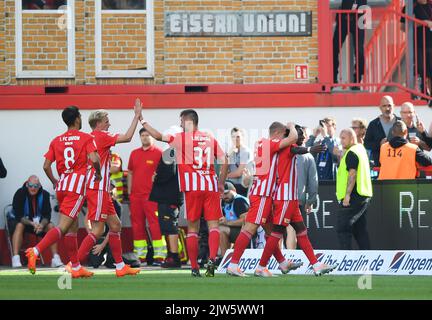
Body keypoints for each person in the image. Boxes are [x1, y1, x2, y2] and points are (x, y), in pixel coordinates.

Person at [138, 109, 229, 277]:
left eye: (181, 121)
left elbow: (157, 136)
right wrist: (221, 183)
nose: (180, 125)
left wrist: (142, 120)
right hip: (210, 186)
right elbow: (225, 160)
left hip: (192, 188)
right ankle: (211, 260)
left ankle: (194, 267)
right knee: (213, 226)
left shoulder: (180, 138)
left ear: (187, 121)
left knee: (193, 228)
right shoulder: (209, 138)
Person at [25, 106, 102, 277]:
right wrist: (97, 172)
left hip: (62, 186)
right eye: (80, 116)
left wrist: (54, 181)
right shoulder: (86, 137)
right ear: (76, 119)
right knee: (63, 227)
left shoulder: (56, 140)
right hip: (76, 187)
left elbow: (46, 166)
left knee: (73, 227)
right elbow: (95, 158)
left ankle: (75, 267)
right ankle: (35, 251)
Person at [71, 101, 142, 277]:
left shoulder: (88, 138)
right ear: (98, 123)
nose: (109, 123)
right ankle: (74, 266)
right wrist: (136, 116)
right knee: (98, 230)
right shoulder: (101, 136)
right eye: (106, 120)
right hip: (99, 189)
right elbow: (127, 137)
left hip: (97, 189)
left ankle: (120, 267)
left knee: (116, 225)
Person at [256, 126, 336, 277]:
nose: (301, 136)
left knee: (301, 232)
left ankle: (316, 265)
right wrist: (311, 148)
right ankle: (261, 266)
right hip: (284, 197)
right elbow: (298, 151)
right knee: (277, 232)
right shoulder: (288, 147)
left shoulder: (288, 147)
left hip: (291, 198)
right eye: (298, 134)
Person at [226, 122, 300, 277]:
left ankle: (282, 263)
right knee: (250, 228)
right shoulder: (270, 143)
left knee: (270, 231)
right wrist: (291, 126)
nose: (284, 137)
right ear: (278, 133)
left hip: (261, 192)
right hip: (263, 194)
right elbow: (294, 137)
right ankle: (233, 264)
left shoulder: (260, 142)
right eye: (283, 134)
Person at [128, 127, 165, 264]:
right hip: (136, 197)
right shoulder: (134, 153)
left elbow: (164, 175)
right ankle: (140, 256)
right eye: (142, 135)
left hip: (152, 197)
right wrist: (130, 192)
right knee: (137, 225)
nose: (145, 137)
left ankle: (160, 256)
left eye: (147, 135)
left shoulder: (159, 153)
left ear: (152, 137)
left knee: (155, 225)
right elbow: (130, 172)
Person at [10, 175, 63, 268]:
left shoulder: (45, 194)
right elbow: (18, 215)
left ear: (39, 186)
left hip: (39, 224)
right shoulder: (20, 193)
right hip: (24, 222)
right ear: (27, 184)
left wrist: (42, 225)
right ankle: (16, 257)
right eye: (30, 185)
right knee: (19, 225)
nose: (33, 188)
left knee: (51, 227)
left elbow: (47, 215)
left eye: (35, 186)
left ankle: (55, 258)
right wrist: (31, 223)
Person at [336, 128, 372, 250]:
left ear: (352, 138)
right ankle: (368, 259)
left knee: (342, 227)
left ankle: (346, 259)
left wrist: (347, 196)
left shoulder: (352, 152)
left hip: (354, 196)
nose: (341, 141)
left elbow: (352, 174)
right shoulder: (360, 149)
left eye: (343, 138)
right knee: (359, 230)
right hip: (363, 194)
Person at [149, 145, 184, 269]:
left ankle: (174, 256)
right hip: (173, 195)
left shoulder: (171, 152)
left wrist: (156, 177)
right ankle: (172, 255)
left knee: (170, 227)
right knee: (169, 227)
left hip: (168, 196)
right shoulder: (179, 152)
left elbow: (169, 171)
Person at [286, 126, 319, 250]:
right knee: (291, 230)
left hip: (280, 197)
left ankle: (279, 260)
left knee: (277, 231)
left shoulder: (282, 152)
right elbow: (313, 182)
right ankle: (289, 258)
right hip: (296, 199)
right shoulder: (308, 156)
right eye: (303, 135)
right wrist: (310, 201)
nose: (304, 137)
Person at [401, 0, 432, 106]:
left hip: (430, 45)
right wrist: (422, 23)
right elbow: (403, 27)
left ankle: (429, 97)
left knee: (430, 73)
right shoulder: (409, 7)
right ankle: (423, 95)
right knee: (421, 70)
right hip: (417, 45)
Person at [333, 0, 368, 87]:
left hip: (359, 17)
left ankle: (357, 80)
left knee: (359, 50)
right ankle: (333, 77)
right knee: (334, 48)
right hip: (344, 16)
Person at [364, 95, 401, 166]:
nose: (387, 108)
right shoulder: (373, 124)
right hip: (381, 165)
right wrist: (379, 144)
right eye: (384, 106)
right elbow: (366, 144)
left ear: (394, 106)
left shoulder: (401, 122)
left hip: (399, 163)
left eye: (389, 105)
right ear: (380, 108)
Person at [219, 182, 249, 258]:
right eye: (222, 194)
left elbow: (245, 221)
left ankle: (225, 259)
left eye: (227, 193)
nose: (224, 196)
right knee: (218, 228)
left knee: (221, 229)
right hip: (238, 230)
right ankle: (224, 258)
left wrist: (227, 222)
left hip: (248, 232)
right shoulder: (226, 202)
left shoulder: (239, 201)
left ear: (234, 190)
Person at [226, 127, 252, 197]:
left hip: (240, 186)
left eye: (238, 137)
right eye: (233, 137)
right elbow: (223, 169)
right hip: (230, 185)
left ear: (242, 137)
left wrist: (225, 176)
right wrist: (228, 155)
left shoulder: (245, 152)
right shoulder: (231, 152)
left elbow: (239, 173)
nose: (236, 139)